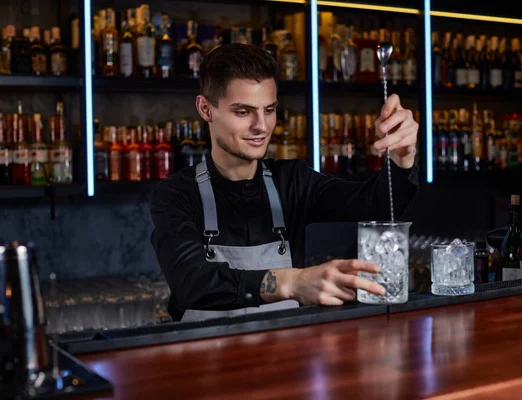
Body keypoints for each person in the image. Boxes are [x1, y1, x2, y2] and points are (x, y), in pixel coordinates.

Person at [150, 43, 419, 322]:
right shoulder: (175, 194)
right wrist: (291, 283)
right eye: (243, 112)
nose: (262, 126)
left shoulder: (293, 181)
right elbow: (192, 283)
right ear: (206, 109)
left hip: (283, 355)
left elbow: (378, 203)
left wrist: (403, 155)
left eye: (269, 110)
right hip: (202, 359)